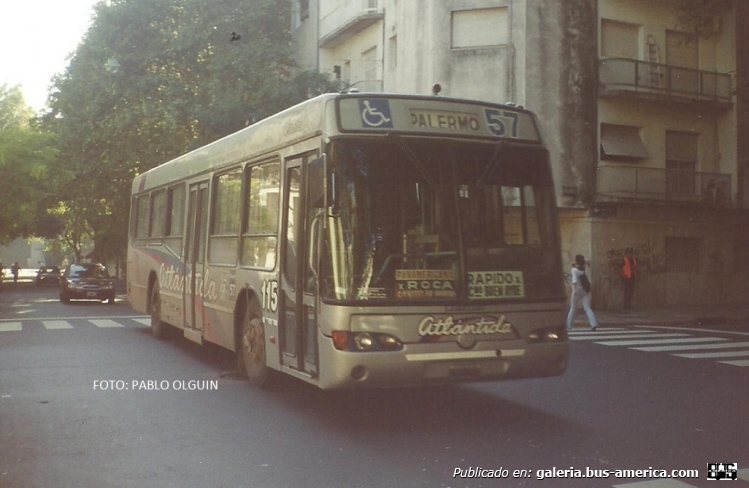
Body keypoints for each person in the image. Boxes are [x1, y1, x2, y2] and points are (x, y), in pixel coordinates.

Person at [566, 254, 597, 331]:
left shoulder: (574, 270)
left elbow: (574, 281)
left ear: (577, 261)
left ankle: (568, 326)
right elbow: (584, 265)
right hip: (585, 290)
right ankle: (594, 324)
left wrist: (574, 290)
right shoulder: (585, 268)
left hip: (577, 290)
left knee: (573, 308)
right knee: (587, 308)